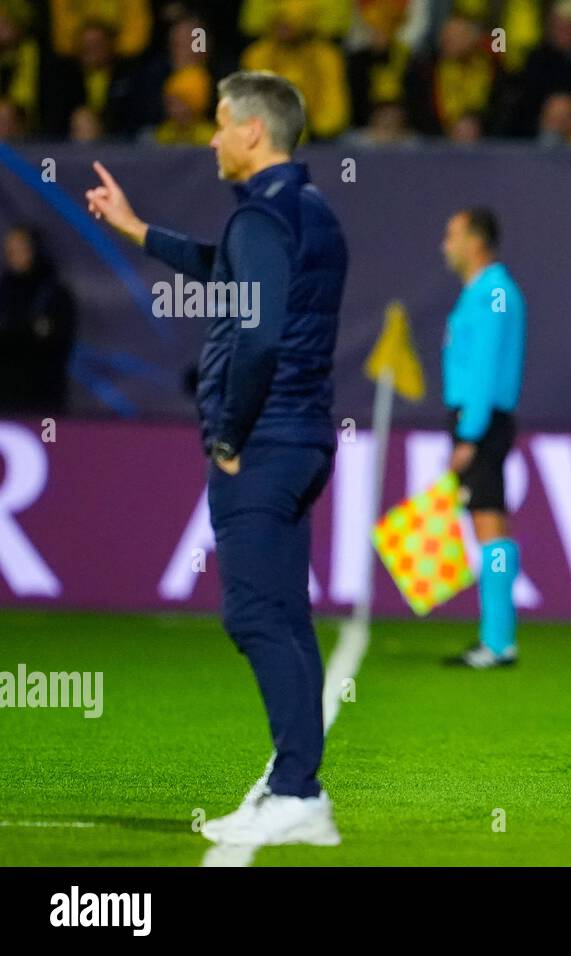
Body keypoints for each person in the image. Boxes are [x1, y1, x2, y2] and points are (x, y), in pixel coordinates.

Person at [85, 70, 348, 845]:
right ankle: (294, 785)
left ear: (253, 134)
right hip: (304, 438)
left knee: (254, 613)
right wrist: (138, 231)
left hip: (262, 441)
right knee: (286, 615)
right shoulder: (311, 213)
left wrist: (229, 433)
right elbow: (232, 278)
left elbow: (258, 331)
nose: (210, 137)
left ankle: (299, 793)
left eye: (221, 123)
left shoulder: (261, 220)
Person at [439, 208, 527, 670]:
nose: (444, 245)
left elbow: (486, 366)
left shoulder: (494, 292)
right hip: (481, 416)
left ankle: (497, 641)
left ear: (476, 242)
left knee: (488, 524)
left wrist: (469, 433)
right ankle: (498, 637)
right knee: (488, 520)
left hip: (482, 419)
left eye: (452, 236)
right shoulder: (482, 292)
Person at [0, 224, 77, 415]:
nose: (12, 255)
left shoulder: (54, 294)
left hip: (44, 398)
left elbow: (56, 341)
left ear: (34, 250)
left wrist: (13, 334)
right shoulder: (3, 292)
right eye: (9, 250)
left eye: (19, 249)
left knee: (49, 439)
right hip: (5, 399)